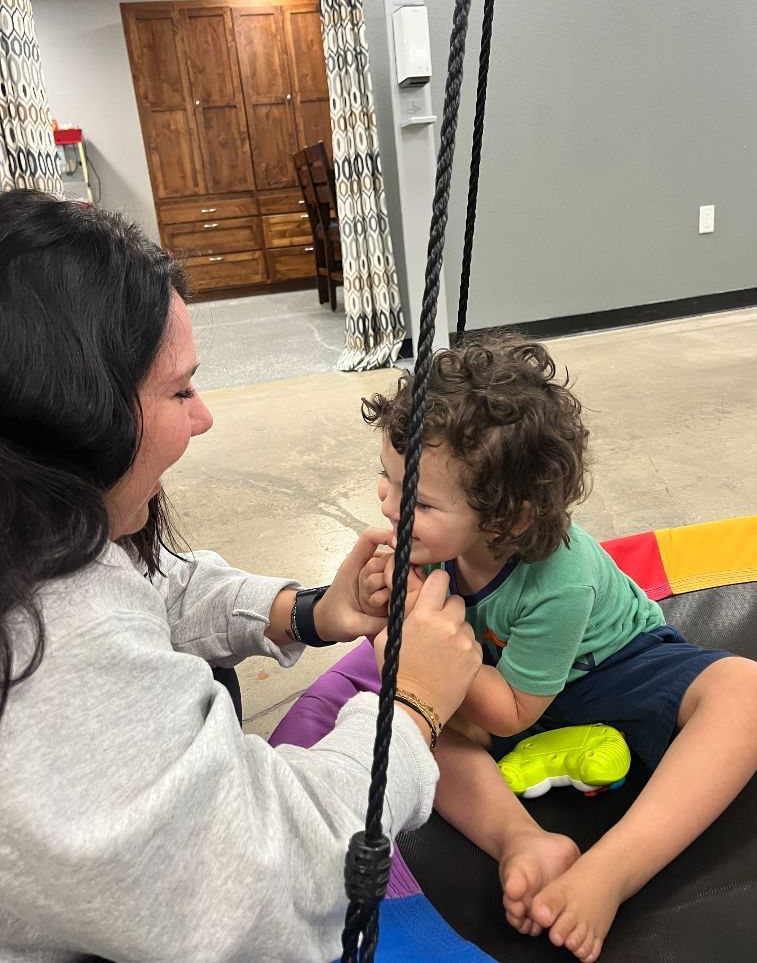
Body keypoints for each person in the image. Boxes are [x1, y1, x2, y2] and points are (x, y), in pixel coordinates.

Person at [0, 189, 482, 963]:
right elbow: (276, 884)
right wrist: (415, 702)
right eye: (179, 390)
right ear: (76, 411)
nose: (204, 416)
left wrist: (313, 610)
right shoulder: (52, 664)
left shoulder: (35, 531)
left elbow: (154, 584)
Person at [359, 335, 757, 962]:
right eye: (389, 481)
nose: (389, 508)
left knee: (748, 690)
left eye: (416, 500)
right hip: (507, 678)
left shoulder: (561, 577)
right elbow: (432, 684)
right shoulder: (426, 548)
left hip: (612, 669)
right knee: (406, 723)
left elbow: (511, 711)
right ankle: (521, 840)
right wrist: (387, 624)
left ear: (512, 517)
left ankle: (612, 871)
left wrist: (413, 635)